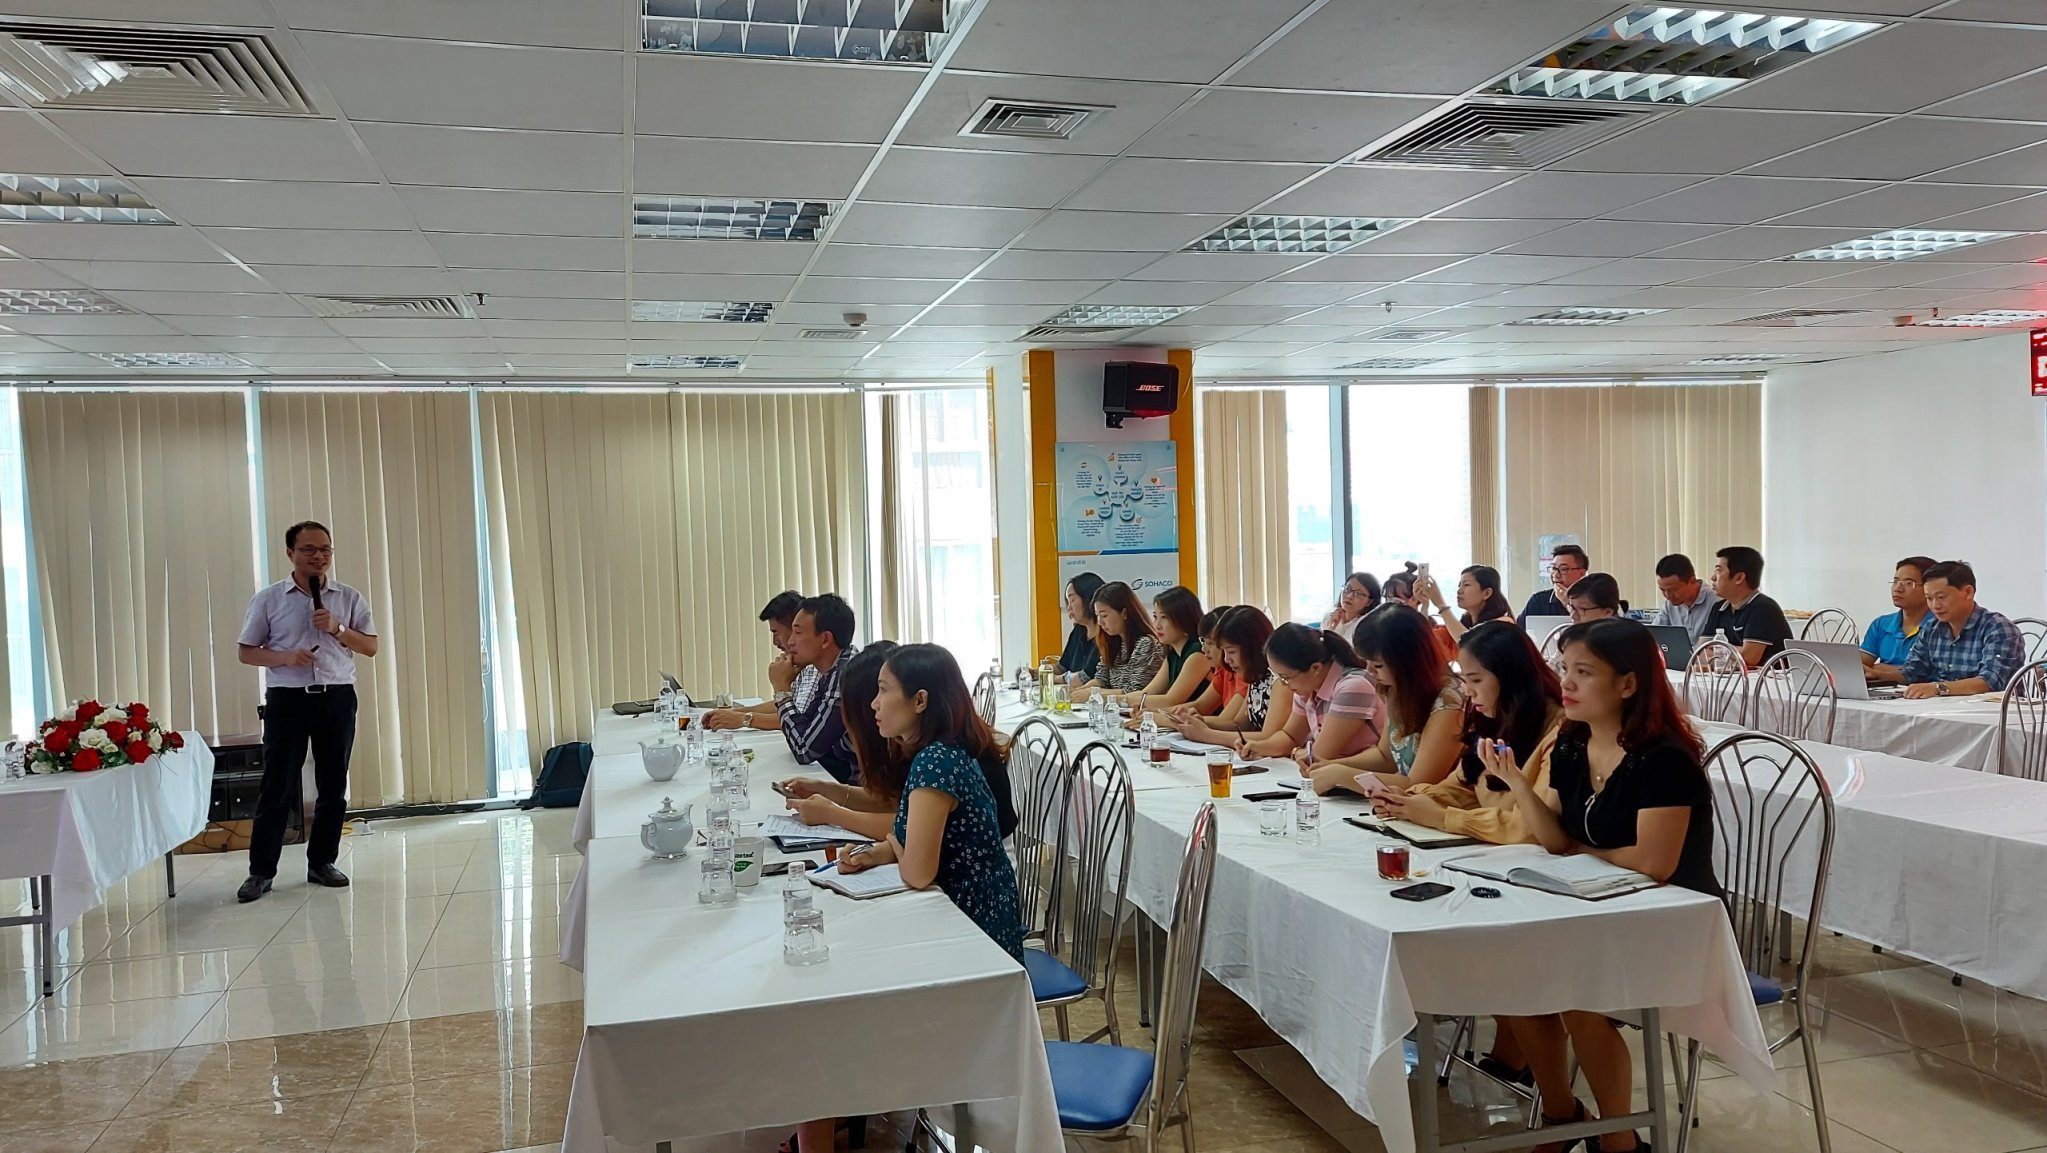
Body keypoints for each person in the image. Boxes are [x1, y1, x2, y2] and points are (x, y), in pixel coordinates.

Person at [1483, 618, 1718, 1152]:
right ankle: (1563, 1116)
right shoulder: (1572, 743)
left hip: (1674, 920)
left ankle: (1618, 1141)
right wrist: (1518, 782)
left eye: (1584, 672)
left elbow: (1653, 864)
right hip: (1597, 904)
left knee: (1576, 994)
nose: (1566, 683)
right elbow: (1553, 839)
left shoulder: (1664, 758)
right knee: (1514, 972)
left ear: (1628, 684)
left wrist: (1579, 849)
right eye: (1564, 668)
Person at [798, 644, 1023, 1153]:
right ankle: (834, 1107)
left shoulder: (937, 762)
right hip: (964, 920)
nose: (873, 704)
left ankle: (837, 1100)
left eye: (883, 691)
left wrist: (894, 849)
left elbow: (919, 871)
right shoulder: (937, 753)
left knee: (828, 1009)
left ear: (920, 701)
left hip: (976, 944)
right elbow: (911, 837)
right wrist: (877, 852)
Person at [234, 520, 380, 903]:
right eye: (309, 550)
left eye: (325, 550)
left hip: (337, 697)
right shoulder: (268, 599)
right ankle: (261, 872)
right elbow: (247, 651)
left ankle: (322, 862)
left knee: (333, 785)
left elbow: (370, 647)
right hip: (288, 700)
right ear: (290, 553)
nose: (319, 557)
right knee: (277, 785)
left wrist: (337, 628)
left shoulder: (348, 597)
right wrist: (285, 657)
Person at [1377, 620, 1563, 845]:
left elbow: (1534, 828)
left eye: (1475, 680)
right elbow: (1462, 787)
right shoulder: (1496, 719)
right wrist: (1409, 800)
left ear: (1512, 676)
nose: (1467, 691)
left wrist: (1442, 817)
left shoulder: (1559, 733)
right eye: (1465, 680)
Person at [1314, 606, 1462, 793]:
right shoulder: (1397, 688)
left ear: (1409, 661)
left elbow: (1418, 784)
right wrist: (1329, 766)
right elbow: (1385, 758)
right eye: (1366, 662)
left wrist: (1340, 775)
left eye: (1378, 665)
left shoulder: (1450, 702)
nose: (1369, 671)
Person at [780, 642, 901, 842]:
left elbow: (910, 827)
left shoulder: (929, 753)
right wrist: (826, 789)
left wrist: (832, 814)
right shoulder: (899, 743)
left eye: (884, 691)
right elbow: (891, 803)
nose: (876, 704)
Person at [1239, 622, 1382, 765]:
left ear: (1315, 668)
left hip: (1363, 775)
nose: (1284, 684)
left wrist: (1296, 752)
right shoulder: (1308, 689)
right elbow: (1290, 736)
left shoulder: (1353, 687)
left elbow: (1320, 755)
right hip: (1334, 773)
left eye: (1286, 677)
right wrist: (1258, 747)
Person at [1164, 606, 1292, 744]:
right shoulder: (1256, 677)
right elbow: (1239, 724)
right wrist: (1200, 722)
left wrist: (1206, 734)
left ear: (1252, 648)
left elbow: (1269, 737)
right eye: (1224, 651)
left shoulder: (1280, 680)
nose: (1226, 659)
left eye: (1231, 652)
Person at [1900, 560, 2025, 698]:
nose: (1935, 605)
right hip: (1939, 706)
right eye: (1929, 598)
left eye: (1941, 597)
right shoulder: (1931, 628)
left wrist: (1938, 688)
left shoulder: (1998, 628)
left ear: (1968, 592)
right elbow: (1912, 672)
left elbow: (1991, 681)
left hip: (1990, 708)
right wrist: (1881, 675)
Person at [775, 593, 861, 783]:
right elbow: (806, 727)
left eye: (798, 633)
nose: (790, 642)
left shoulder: (846, 677)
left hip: (862, 786)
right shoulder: (833, 669)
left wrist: (781, 690)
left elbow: (804, 750)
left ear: (825, 639)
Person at [705, 590, 805, 731]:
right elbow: (784, 705)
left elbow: (798, 719)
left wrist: (744, 719)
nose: (774, 642)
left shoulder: (814, 665)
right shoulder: (797, 662)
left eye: (776, 632)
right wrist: (732, 713)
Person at [1124, 585, 1212, 720]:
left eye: (1164, 617)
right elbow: (1148, 692)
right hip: (1181, 723)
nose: (1157, 625)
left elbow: (1171, 700)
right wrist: (1113, 699)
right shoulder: (1173, 653)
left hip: (1202, 723)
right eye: (1155, 617)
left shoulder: (1198, 653)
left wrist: (1120, 700)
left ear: (1183, 619)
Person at [1701, 546, 1792, 667]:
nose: (1712, 577)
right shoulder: (1718, 608)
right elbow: (1700, 651)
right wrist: (1730, 654)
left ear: (1739, 578)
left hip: (1768, 678)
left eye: (1718, 571)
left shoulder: (1764, 608)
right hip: (1731, 676)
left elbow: (1748, 658)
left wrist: (1716, 649)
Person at [1074, 581, 1163, 700]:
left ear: (1124, 613)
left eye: (1104, 615)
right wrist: (1079, 691)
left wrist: (1092, 693)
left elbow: (1135, 691)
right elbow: (1101, 679)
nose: (1100, 622)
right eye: (1097, 615)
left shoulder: (1146, 644)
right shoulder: (1113, 641)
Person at [1863, 556, 1936, 684]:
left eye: (1909, 583)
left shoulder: (1939, 626)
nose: (1898, 588)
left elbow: (1929, 673)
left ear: (1929, 588)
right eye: (1896, 581)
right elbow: (1859, 666)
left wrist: (1881, 669)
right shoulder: (1881, 624)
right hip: (1884, 690)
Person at [1419, 564, 1512, 640]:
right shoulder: (1465, 623)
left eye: (1466, 585)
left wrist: (1441, 605)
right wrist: (1424, 605)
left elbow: (1471, 645)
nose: (1459, 590)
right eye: (1459, 585)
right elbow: (1431, 642)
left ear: (1487, 593)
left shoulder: (1504, 625)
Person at [1384, 564, 1457, 662]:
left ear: (1415, 598)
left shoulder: (1438, 631)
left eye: (1396, 600)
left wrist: (1425, 608)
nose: (1390, 605)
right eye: (1387, 599)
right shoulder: (1382, 626)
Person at [1651, 554, 1719, 643]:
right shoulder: (1669, 604)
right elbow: (1654, 635)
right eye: (1663, 590)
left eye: (1673, 590)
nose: (1668, 595)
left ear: (1692, 581)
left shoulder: (1716, 601)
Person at [1518, 544, 1588, 623]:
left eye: (1563, 569)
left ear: (1581, 573)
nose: (1555, 575)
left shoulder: (1592, 600)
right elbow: (1519, 628)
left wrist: (1567, 603)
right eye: (1553, 568)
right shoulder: (1539, 600)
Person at [1057, 572, 1105, 684]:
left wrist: (1053, 679)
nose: (1069, 607)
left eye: (1072, 600)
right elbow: (1062, 667)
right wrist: (1035, 672)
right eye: (1067, 602)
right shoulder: (1079, 630)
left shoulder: (1106, 633)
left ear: (1089, 598)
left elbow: (1085, 677)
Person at [1320, 571, 1381, 645]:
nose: (1349, 596)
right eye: (1347, 589)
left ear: (1369, 602)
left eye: (1359, 593)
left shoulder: (1367, 626)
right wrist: (1331, 627)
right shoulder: (1329, 617)